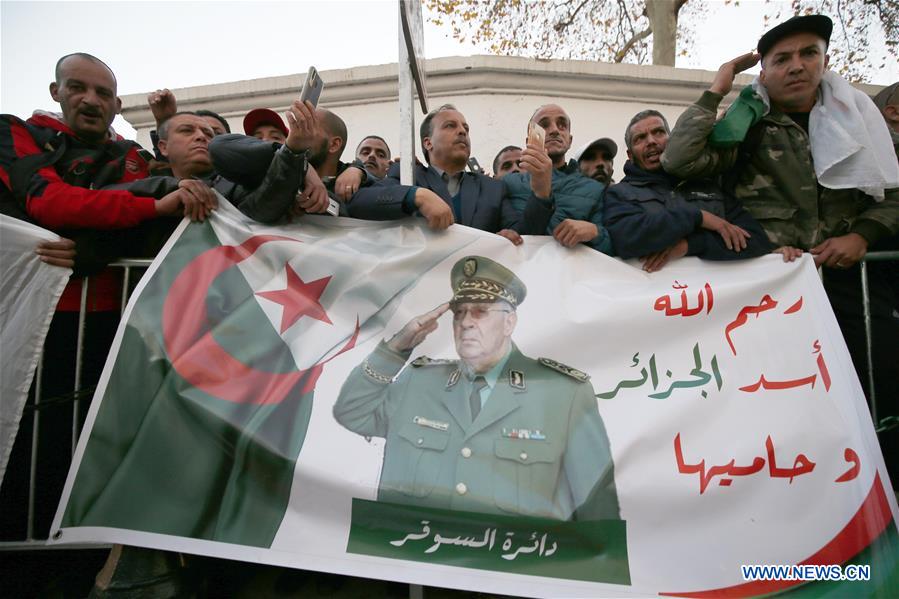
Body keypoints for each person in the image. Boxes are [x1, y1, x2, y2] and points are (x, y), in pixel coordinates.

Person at [334, 255, 619, 521]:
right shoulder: (419, 381)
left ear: (509, 322)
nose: (466, 322)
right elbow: (352, 414)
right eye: (460, 312)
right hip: (415, 557)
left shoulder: (562, 392)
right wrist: (396, 349)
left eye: (481, 311)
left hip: (513, 563)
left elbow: (596, 506)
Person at [604, 110, 772, 271]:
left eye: (658, 132)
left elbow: (757, 241)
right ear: (630, 155)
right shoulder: (619, 194)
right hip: (655, 298)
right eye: (640, 138)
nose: (651, 141)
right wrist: (698, 217)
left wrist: (690, 245)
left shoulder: (709, 186)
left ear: (672, 141)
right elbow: (626, 239)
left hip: (711, 298)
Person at [346, 104, 525, 243]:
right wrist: (415, 195)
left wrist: (509, 236)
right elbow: (358, 203)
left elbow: (525, 233)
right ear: (428, 143)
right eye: (450, 126)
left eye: (466, 128)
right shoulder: (407, 175)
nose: (462, 131)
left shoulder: (492, 188)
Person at [505, 104, 611, 252]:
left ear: (570, 139)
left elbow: (614, 249)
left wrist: (595, 232)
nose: (554, 130)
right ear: (529, 139)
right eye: (544, 125)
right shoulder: (508, 184)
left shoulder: (595, 189)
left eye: (562, 125)